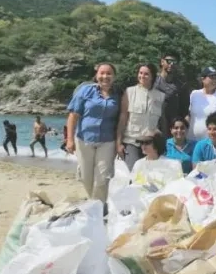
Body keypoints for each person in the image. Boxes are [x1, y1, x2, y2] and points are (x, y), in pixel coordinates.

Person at [65, 62, 121, 203]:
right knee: (86, 178)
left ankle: (99, 207)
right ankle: (94, 203)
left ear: (114, 76)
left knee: (102, 179)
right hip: (84, 140)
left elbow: (122, 119)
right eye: (102, 73)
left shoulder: (119, 95)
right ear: (96, 75)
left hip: (107, 141)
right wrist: (69, 140)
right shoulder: (86, 91)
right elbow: (73, 116)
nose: (105, 76)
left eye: (109, 73)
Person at [117, 62, 166, 170]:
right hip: (132, 142)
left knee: (151, 173)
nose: (142, 76)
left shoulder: (160, 96)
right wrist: (118, 143)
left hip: (152, 143)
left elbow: (162, 122)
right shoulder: (129, 92)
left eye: (146, 74)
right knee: (133, 171)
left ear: (152, 76)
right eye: (140, 73)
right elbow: (123, 119)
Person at [186, 67, 216, 142]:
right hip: (191, 140)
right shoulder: (194, 94)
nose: (215, 80)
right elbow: (188, 115)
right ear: (203, 79)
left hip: (212, 143)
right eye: (212, 77)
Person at [154, 51, 189, 134]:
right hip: (153, 129)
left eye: (174, 62)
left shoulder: (181, 86)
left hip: (173, 131)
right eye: (169, 61)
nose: (172, 64)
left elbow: (185, 111)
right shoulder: (152, 82)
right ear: (162, 62)